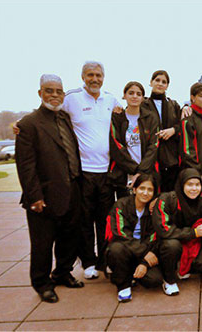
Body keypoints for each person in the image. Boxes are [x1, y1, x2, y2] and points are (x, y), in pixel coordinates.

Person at [15, 74, 84, 303]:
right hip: (44, 195)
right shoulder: (28, 124)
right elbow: (25, 165)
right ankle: (42, 283)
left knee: (69, 237)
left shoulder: (64, 117)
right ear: (40, 93)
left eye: (58, 91)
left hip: (72, 188)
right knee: (43, 243)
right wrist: (34, 196)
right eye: (49, 90)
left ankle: (62, 273)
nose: (54, 95)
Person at [63, 61, 121, 279]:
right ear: (82, 76)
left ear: (103, 77)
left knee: (105, 219)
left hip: (107, 172)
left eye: (98, 75)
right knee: (85, 219)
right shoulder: (71, 98)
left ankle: (104, 261)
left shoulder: (110, 99)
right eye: (90, 75)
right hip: (83, 172)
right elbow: (49, 114)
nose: (94, 79)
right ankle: (88, 261)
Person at [152, 168, 202, 296]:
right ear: (181, 185)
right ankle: (169, 280)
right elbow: (164, 230)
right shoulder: (166, 200)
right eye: (189, 184)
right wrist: (193, 233)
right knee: (172, 245)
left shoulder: (201, 203)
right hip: (166, 245)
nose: (194, 189)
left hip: (191, 244)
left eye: (197, 185)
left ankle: (188, 267)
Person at [105, 174, 163, 302]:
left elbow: (153, 237)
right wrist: (145, 253)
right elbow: (121, 234)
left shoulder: (154, 209)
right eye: (142, 188)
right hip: (125, 249)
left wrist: (144, 263)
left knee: (155, 280)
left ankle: (132, 272)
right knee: (116, 248)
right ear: (135, 189)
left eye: (150, 190)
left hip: (143, 251)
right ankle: (123, 286)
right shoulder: (121, 205)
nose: (145, 193)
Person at [108, 82, 159, 198]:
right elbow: (116, 145)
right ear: (124, 95)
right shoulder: (117, 117)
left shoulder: (151, 118)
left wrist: (141, 172)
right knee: (126, 208)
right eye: (131, 93)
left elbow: (153, 146)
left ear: (142, 98)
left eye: (138, 94)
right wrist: (134, 170)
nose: (134, 96)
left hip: (146, 173)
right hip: (123, 174)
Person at [142, 70, 182, 193]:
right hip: (150, 157)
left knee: (169, 194)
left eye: (164, 82)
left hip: (171, 158)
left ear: (167, 86)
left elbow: (183, 125)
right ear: (151, 82)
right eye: (157, 80)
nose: (160, 84)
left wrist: (173, 130)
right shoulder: (142, 104)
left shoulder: (173, 104)